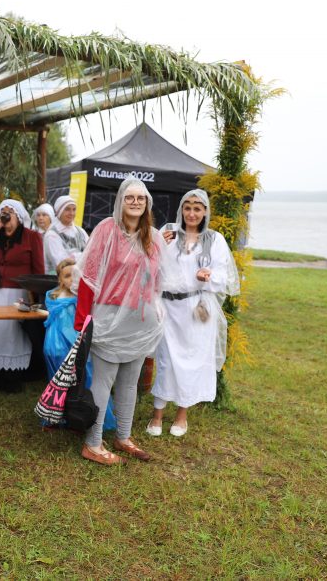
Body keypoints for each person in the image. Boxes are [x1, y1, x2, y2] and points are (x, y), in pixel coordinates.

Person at [74, 177, 172, 465]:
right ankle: (92, 443)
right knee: (104, 381)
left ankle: (123, 436)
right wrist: (82, 320)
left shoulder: (152, 237)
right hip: (108, 316)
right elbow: (88, 276)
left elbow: (158, 279)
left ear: (147, 203)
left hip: (140, 319)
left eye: (141, 198)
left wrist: (157, 308)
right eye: (129, 197)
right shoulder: (106, 230)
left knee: (130, 381)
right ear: (120, 200)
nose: (135, 202)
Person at [147, 189, 239, 437]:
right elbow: (149, 265)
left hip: (197, 308)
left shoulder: (214, 239)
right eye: (187, 208)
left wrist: (207, 276)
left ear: (205, 211)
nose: (191, 213)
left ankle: (182, 414)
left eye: (197, 208)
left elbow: (225, 278)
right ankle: (157, 414)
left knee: (190, 360)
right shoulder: (167, 232)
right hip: (168, 307)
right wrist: (157, 246)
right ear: (181, 209)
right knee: (166, 360)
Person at [0, 199, 44, 391]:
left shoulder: (32, 237)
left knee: (10, 336)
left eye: (9, 211)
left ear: (18, 216)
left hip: (16, 294)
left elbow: (38, 269)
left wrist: (36, 298)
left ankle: (10, 378)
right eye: (2, 211)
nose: (5, 215)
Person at [43, 258, 116, 430]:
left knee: (85, 378)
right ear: (60, 279)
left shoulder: (81, 298)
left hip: (76, 345)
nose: (70, 280)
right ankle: (57, 416)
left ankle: (89, 414)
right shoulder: (53, 296)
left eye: (74, 276)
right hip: (57, 345)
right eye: (67, 276)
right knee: (58, 382)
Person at [43, 195, 89, 273]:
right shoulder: (51, 235)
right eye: (67, 209)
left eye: (74, 209)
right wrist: (83, 257)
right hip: (59, 281)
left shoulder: (80, 231)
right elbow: (61, 263)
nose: (71, 213)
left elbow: (92, 253)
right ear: (59, 211)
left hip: (81, 277)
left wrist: (74, 256)